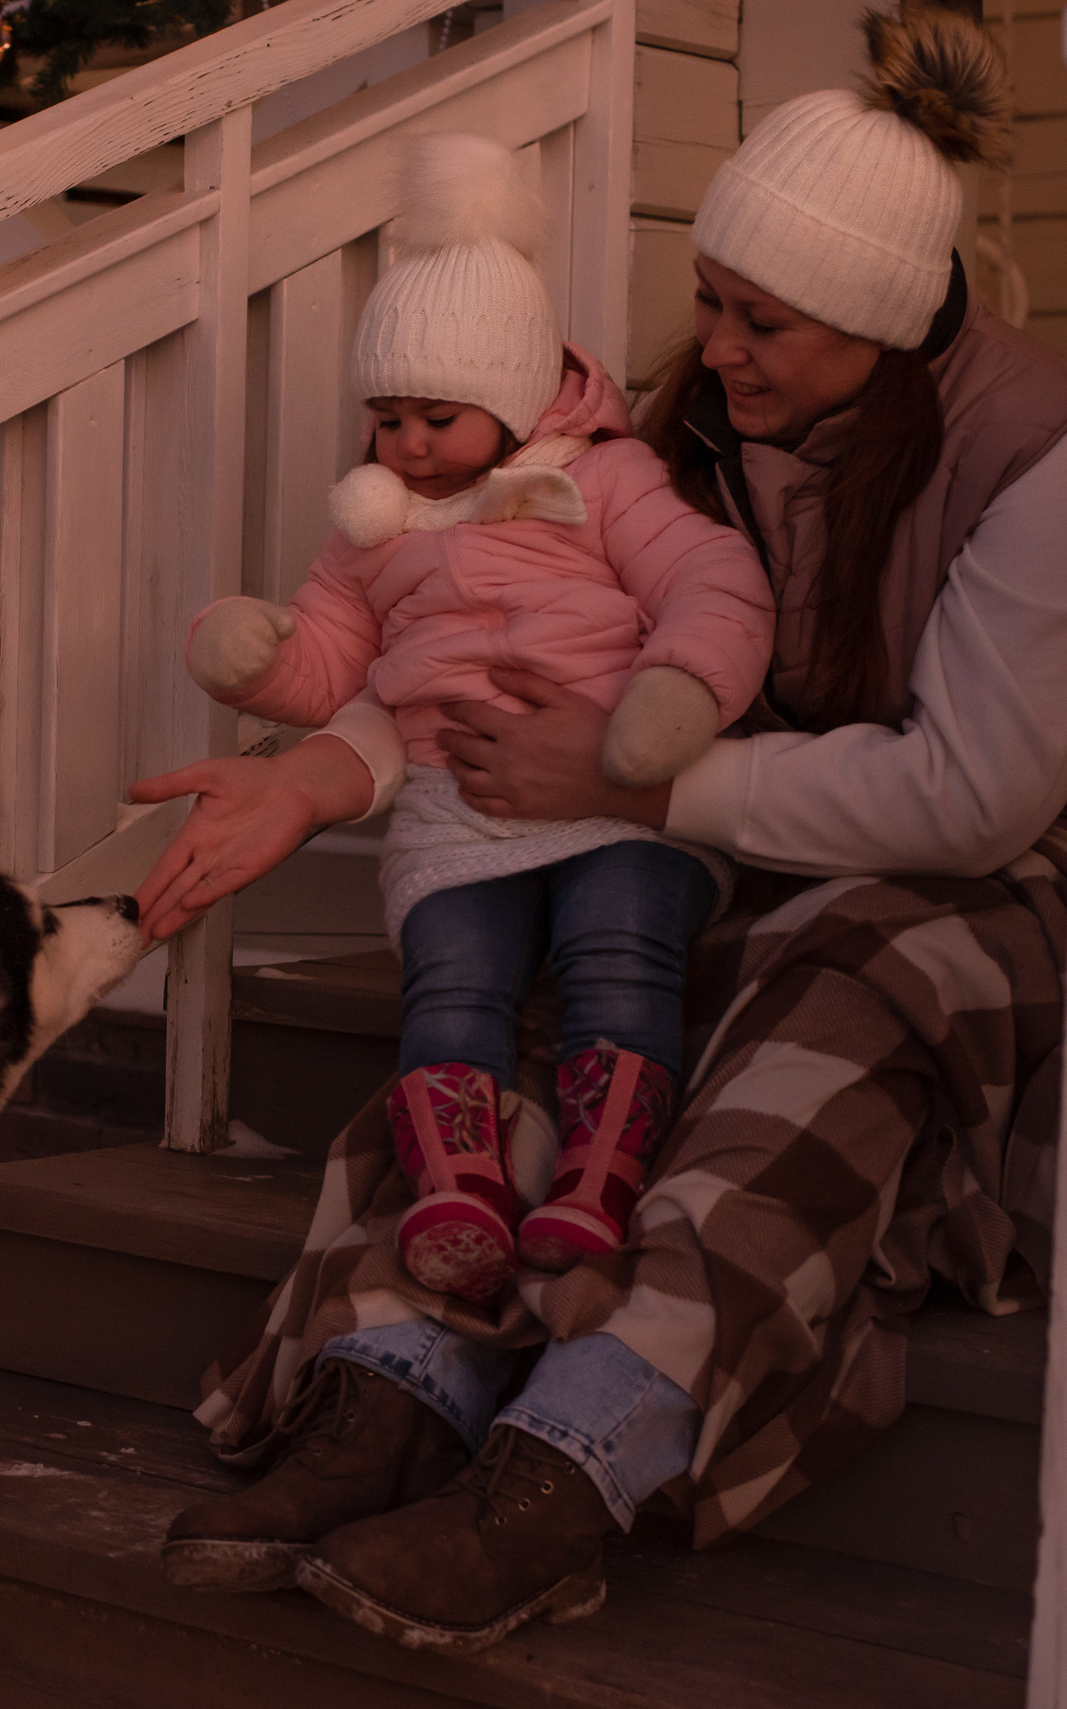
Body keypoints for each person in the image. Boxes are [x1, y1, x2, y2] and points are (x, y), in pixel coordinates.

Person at [148, 5, 1067, 1660]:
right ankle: (395, 1383)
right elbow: (525, 656)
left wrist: (649, 788)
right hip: (702, 833)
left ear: (875, 321)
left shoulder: (1036, 452)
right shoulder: (688, 435)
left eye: (759, 318)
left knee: (822, 1004)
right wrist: (311, 772)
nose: (710, 342)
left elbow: (978, 792)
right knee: (508, 992)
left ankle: (572, 1452)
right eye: (711, 300)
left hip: (940, 876)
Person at [179, 130, 771, 1305]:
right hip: (458, 797)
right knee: (452, 975)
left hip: (612, 778)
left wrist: (675, 694)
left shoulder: (606, 483)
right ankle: (460, 1183)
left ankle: (600, 1174)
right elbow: (332, 660)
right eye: (385, 416)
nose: (405, 444)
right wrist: (257, 661)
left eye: (436, 416)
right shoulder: (375, 532)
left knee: (618, 950)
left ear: (509, 401)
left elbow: (712, 581)